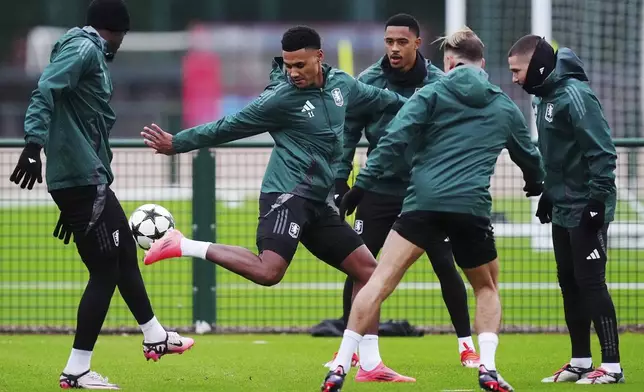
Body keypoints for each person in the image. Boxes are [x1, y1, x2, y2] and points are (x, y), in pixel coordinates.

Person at [141, 26, 415, 383]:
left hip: (317, 202)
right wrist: (177, 142)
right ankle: (182, 243)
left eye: (300, 65)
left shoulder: (342, 86)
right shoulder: (281, 98)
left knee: (368, 271)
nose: (293, 73)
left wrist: (428, 107)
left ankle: (370, 363)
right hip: (286, 195)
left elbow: (386, 101)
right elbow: (229, 125)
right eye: (288, 65)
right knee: (269, 272)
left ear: (319, 57)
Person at [321, 27, 545, 392]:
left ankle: (341, 365)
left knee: (377, 281)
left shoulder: (431, 93)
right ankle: (486, 367)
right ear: (482, 64)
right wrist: (537, 185)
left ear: (451, 63)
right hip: (470, 208)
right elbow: (529, 157)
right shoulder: (503, 105)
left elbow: (393, 141)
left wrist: (359, 187)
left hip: (421, 203)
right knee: (486, 288)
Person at [8, 0, 194, 389]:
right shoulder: (85, 49)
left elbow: (79, 121)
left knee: (125, 250)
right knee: (104, 270)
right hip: (80, 178)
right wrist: (32, 145)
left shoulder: (78, 47)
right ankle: (76, 369)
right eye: (123, 35)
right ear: (117, 31)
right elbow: (45, 90)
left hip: (83, 177)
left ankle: (155, 335)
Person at [317, 12, 479, 369]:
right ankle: (352, 349)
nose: (393, 48)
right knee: (360, 267)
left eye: (401, 42)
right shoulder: (369, 81)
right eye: (388, 41)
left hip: (426, 191)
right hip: (376, 190)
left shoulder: (439, 82)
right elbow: (348, 134)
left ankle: (466, 346)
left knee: (444, 265)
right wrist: (340, 180)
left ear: (418, 44)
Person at [508, 35, 624, 385]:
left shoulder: (575, 95)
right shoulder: (544, 97)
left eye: (517, 70)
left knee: (591, 283)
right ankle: (580, 361)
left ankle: (613, 366)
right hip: (563, 204)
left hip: (587, 204)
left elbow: (602, 152)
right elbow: (557, 154)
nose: (514, 78)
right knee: (569, 282)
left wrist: (596, 202)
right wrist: (547, 191)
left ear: (537, 65)